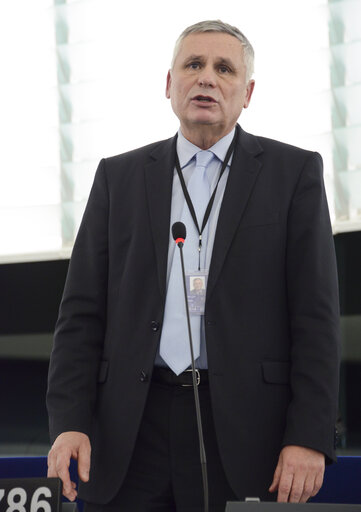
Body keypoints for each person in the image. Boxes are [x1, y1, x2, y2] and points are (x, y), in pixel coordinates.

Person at [46, 20, 340, 511]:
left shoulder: (294, 175)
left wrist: (310, 435)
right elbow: (79, 316)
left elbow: (315, 319)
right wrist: (70, 421)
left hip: (248, 435)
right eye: (193, 65)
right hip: (129, 433)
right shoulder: (118, 177)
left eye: (223, 68)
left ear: (247, 93)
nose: (206, 78)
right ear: (169, 84)